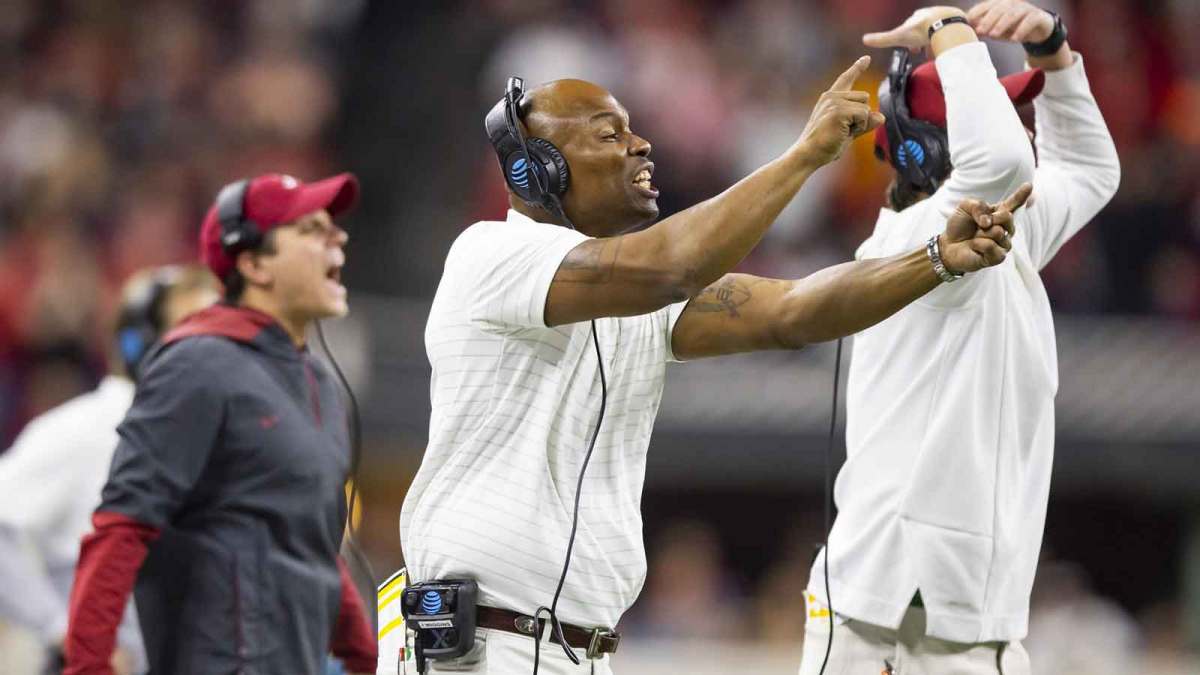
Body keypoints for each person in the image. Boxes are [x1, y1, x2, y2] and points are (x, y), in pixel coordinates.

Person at [398, 52, 1033, 674]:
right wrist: (805, 153)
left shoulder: (640, 295)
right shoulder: (488, 254)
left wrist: (936, 258)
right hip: (482, 647)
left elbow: (794, 311)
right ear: (538, 171)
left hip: (577, 649)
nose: (641, 145)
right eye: (608, 134)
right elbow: (674, 265)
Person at [800, 2, 1120, 674]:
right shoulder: (921, 238)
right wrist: (949, 26)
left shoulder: (1003, 228)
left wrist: (1054, 52)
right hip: (896, 617)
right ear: (921, 149)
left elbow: (1092, 170)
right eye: (999, 114)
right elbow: (1002, 156)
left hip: (947, 609)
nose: (1021, 134)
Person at [62, 173, 378, 675]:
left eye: (333, 228)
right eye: (310, 229)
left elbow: (312, 543)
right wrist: (87, 668)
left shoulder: (317, 380)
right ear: (252, 263)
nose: (336, 237)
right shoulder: (197, 362)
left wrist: (362, 657)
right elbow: (121, 527)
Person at [0, 265, 218, 675]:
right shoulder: (85, 430)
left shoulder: (208, 437)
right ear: (140, 346)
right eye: (195, 331)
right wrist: (63, 631)